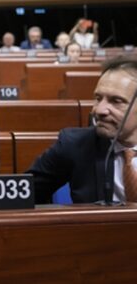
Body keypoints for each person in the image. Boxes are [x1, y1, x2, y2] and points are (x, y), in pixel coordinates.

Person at [27, 56, 137, 203]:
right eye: (98, 98)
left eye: (116, 101)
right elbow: (23, 196)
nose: (99, 110)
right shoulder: (74, 144)